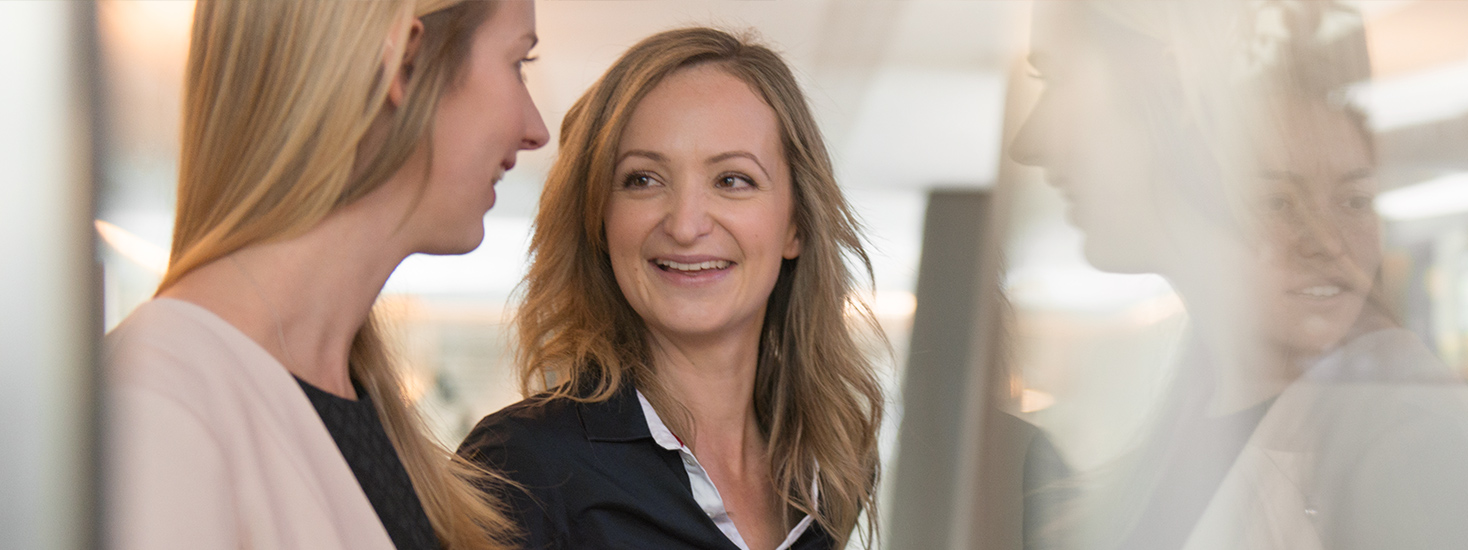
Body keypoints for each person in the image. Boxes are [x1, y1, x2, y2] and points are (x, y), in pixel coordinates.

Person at [1007, 2, 1468, 548]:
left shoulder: (1406, 439)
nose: (1030, 141)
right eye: (1277, 201)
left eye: (1059, 78)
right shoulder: (1204, 408)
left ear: (1173, 103)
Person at [103, 0, 549, 549]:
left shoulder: (358, 400)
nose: (536, 130)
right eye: (517, 64)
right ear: (403, 64)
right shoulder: (158, 405)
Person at [458, 28, 885, 550]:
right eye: (643, 179)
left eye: (732, 180)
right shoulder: (523, 468)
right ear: (600, 218)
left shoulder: (829, 473)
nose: (685, 225)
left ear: (795, 224)